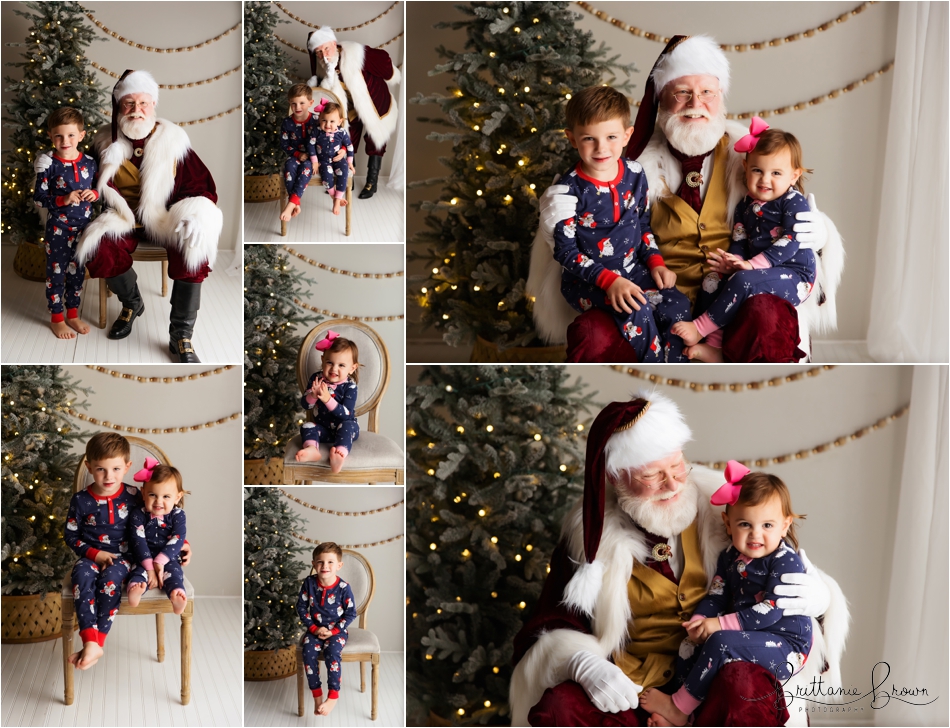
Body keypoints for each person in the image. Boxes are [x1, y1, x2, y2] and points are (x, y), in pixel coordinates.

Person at [509, 392, 849, 726]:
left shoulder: (724, 510)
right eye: (652, 475)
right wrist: (580, 662)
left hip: (716, 674)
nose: (672, 483)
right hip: (635, 686)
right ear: (617, 477)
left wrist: (821, 598)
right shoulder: (588, 539)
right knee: (560, 707)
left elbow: (777, 561)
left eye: (676, 466)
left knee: (745, 686)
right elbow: (553, 621)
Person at [527, 35, 843, 362]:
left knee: (767, 316)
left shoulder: (754, 159)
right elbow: (590, 225)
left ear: (721, 97)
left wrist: (819, 231)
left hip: (734, 298)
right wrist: (553, 224)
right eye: (682, 92)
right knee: (591, 334)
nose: (695, 103)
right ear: (661, 99)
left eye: (707, 92)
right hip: (654, 295)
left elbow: (791, 209)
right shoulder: (629, 166)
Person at [34, 69, 223, 362]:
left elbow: (201, 186)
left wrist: (196, 214)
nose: (136, 110)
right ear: (119, 107)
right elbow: (71, 159)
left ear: (153, 106)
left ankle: (181, 337)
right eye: (129, 103)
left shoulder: (174, 141)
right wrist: (47, 162)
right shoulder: (102, 143)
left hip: (164, 218)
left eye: (143, 103)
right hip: (123, 220)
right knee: (97, 248)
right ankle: (132, 303)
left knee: (193, 250)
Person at [639, 464, 812, 726]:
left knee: (720, 641)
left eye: (767, 525)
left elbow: (770, 609)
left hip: (785, 646)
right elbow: (716, 596)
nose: (755, 534)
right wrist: (699, 620)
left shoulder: (784, 561)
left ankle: (678, 707)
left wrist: (718, 625)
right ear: (728, 524)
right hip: (748, 636)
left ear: (785, 525)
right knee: (689, 644)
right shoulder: (729, 556)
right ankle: (689, 718)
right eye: (745, 524)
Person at [553, 86, 690, 362]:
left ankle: (676, 363)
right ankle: (655, 366)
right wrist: (609, 281)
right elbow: (565, 252)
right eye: (589, 138)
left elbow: (642, 224)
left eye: (611, 137)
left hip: (633, 270)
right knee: (637, 309)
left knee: (677, 304)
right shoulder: (568, 191)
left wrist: (656, 263)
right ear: (572, 139)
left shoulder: (636, 174)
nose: (601, 148)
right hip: (588, 282)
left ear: (626, 135)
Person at [671, 121, 816, 362]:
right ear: (746, 168)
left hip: (794, 274)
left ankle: (700, 328)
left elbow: (791, 239)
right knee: (712, 279)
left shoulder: (793, 201)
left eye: (776, 173)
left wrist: (750, 266)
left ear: (794, 175)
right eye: (758, 170)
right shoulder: (744, 206)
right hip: (756, 270)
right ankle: (715, 345)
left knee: (743, 279)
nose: (764, 180)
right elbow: (739, 239)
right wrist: (734, 261)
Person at [306, 26, 400, 200]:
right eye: (318, 52)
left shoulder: (357, 52)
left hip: (373, 103)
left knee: (376, 142)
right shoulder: (320, 66)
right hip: (348, 109)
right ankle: (348, 179)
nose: (323, 54)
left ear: (334, 43)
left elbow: (385, 63)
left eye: (326, 48)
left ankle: (372, 182)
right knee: (347, 141)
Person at [33, 107, 97, 340]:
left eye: (71, 135)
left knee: (77, 272)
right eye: (59, 135)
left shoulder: (90, 162)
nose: (65, 140)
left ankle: (72, 313)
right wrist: (63, 199)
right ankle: (57, 318)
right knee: (56, 274)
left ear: (81, 135)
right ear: (51, 136)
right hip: (58, 229)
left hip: (83, 229)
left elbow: (100, 188)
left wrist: (95, 194)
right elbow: (39, 199)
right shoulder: (48, 165)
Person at [297, 542, 358, 716]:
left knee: (332, 652)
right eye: (320, 562)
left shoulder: (344, 588)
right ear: (314, 564)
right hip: (314, 630)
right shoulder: (309, 583)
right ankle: (317, 696)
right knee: (308, 652)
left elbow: (350, 614)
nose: (325, 566)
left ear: (339, 565)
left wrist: (333, 631)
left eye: (330, 562)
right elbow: (301, 608)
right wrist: (315, 629)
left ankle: (333, 696)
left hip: (336, 632)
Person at [126, 459, 189, 616]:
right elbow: (138, 541)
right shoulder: (138, 514)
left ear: (177, 497)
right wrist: (150, 568)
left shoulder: (178, 515)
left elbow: (178, 538)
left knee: (174, 573)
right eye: (153, 495)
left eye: (166, 496)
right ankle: (136, 589)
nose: (158, 502)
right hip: (142, 558)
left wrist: (160, 562)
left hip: (168, 558)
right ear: (143, 492)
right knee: (137, 572)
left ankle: (176, 594)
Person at [294, 331, 360, 473]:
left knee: (347, 425)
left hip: (345, 428)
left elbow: (346, 414)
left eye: (341, 365)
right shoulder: (316, 379)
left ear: (352, 368)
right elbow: (306, 405)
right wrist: (313, 395)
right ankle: (312, 449)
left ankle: (339, 454)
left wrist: (327, 399)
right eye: (330, 362)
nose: (334, 369)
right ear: (323, 360)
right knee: (307, 425)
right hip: (324, 429)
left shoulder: (350, 387)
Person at [280, 84, 320, 222]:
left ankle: (291, 204)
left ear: (310, 103)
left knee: (306, 168)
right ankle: (295, 203)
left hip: (313, 157)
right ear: (289, 103)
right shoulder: (287, 122)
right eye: (293, 104)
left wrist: (343, 150)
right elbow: (284, 144)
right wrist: (298, 154)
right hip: (295, 155)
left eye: (302, 103)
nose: (297, 107)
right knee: (289, 167)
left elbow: (331, 135)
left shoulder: (317, 120)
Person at [313, 101, 355, 216]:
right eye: (324, 120)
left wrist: (350, 162)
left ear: (340, 121)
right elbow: (310, 145)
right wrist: (315, 161)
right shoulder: (317, 131)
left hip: (338, 159)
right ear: (319, 118)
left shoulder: (342, 132)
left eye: (332, 121)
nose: (327, 125)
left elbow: (350, 146)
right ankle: (334, 197)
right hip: (323, 161)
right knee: (326, 175)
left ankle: (338, 198)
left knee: (344, 171)